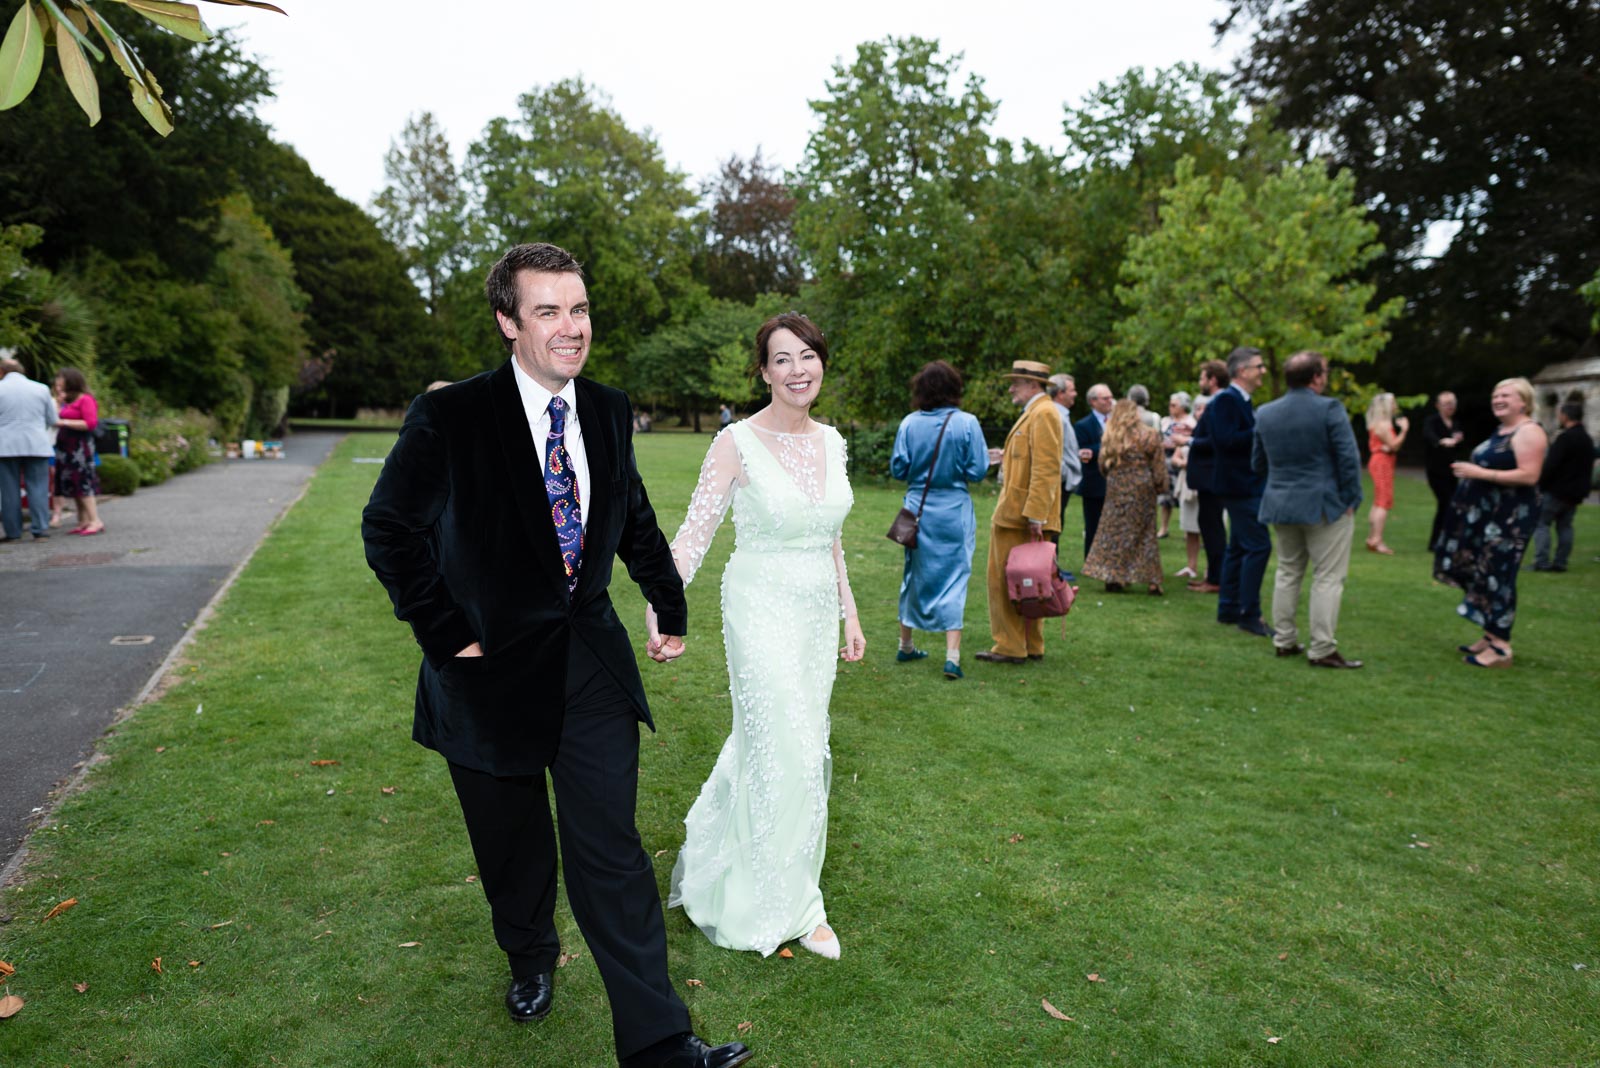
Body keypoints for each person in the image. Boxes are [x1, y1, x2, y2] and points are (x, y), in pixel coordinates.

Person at [362, 243, 752, 1068]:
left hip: (590, 666)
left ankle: (659, 1044)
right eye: (548, 311)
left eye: (578, 310)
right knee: (514, 847)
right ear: (509, 322)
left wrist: (668, 601)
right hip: (484, 676)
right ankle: (529, 953)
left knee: (610, 848)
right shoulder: (452, 417)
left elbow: (633, 515)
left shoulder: (607, 410)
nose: (570, 328)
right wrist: (448, 634)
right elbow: (390, 530)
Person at [658, 312, 864, 961]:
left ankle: (790, 889)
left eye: (808, 355)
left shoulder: (833, 442)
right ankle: (788, 907)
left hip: (813, 612)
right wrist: (665, 605)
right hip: (759, 607)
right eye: (783, 358)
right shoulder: (735, 442)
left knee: (795, 747)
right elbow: (694, 534)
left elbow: (830, 539)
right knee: (788, 746)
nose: (798, 369)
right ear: (764, 371)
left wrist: (849, 613)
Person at [1252, 352, 1365, 668]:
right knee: (1328, 577)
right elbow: (1348, 459)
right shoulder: (1329, 408)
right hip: (1324, 505)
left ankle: (1284, 640)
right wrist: (1351, 500)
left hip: (1280, 504)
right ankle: (1322, 648)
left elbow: (1257, 463)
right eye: (1325, 372)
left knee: (1288, 571)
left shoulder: (1265, 412)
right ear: (1316, 377)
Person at [1434, 377, 1548, 669]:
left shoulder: (1529, 432)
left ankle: (1500, 648)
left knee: (1500, 575)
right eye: (1496, 394)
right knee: (1484, 572)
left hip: (1509, 521)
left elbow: (1530, 475)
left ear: (1523, 401)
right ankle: (1489, 634)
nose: (1498, 399)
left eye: (1506, 395)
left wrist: (1479, 473)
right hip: (1489, 518)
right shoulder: (1503, 431)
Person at [890, 360, 990, 680]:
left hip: (917, 509)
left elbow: (898, 469)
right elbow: (977, 471)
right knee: (955, 577)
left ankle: (906, 645)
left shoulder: (909, 423)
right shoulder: (968, 423)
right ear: (954, 389)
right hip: (953, 510)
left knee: (914, 573)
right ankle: (952, 656)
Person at [977, 359, 1064, 665]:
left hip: (1021, 518)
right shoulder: (1038, 413)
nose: (1012, 388)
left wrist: (1036, 516)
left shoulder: (1043, 414)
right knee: (1031, 582)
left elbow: (1046, 469)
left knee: (1008, 582)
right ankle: (1030, 644)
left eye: (1016, 382)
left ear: (1033, 385)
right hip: (1022, 515)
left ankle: (1011, 646)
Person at [1190, 347, 1272, 636]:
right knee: (1259, 546)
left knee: (1238, 547)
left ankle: (1228, 608)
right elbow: (1224, 440)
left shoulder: (1241, 400)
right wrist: (1262, 427)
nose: (1263, 371)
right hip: (1239, 486)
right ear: (1242, 371)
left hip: (1241, 484)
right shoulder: (1227, 400)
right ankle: (1249, 614)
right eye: (1258, 366)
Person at [1082, 399, 1167, 595]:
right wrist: (1160, 486)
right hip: (1142, 487)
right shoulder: (1150, 434)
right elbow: (1159, 466)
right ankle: (1153, 581)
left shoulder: (1111, 435)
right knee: (1146, 534)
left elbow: (1103, 464)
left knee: (1115, 533)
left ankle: (1115, 576)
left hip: (1117, 487)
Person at [1174, 360, 1230, 593]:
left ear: (1212, 380)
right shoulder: (1217, 403)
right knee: (1208, 526)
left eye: (1202, 378)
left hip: (1212, 478)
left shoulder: (1221, 402)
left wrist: (1188, 440)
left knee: (1213, 529)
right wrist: (1193, 432)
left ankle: (1216, 580)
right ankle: (1214, 576)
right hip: (1207, 478)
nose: (1200, 383)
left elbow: (1219, 441)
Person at [0, 356, 58, 543]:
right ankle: (40, 529)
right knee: (38, 487)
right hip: (36, 443)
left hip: (5, 445)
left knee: (9, 491)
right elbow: (52, 419)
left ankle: (13, 532)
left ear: (2, 372)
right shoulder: (41, 389)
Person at [1532, 401, 1592, 572]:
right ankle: (1560, 562)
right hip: (1575, 493)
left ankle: (1541, 562)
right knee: (1565, 526)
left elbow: (1551, 465)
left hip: (1557, 491)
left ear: (1565, 416)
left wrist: (1540, 484)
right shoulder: (1586, 439)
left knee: (1542, 523)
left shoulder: (1565, 438)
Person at [52, 367, 104, 536]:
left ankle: (95, 520)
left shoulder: (86, 399)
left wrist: (65, 422)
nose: (58, 382)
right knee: (74, 483)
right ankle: (83, 520)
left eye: (61, 379)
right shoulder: (68, 400)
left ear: (71, 381)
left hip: (80, 448)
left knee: (83, 482)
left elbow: (90, 423)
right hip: (66, 447)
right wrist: (60, 403)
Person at [1363, 392, 1408, 554]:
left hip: (1381, 461)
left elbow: (1390, 446)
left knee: (1378, 501)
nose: (1395, 405)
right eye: (1393, 402)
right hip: (1382, 463)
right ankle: (1377, 540)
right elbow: (1395, 445)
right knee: (1383, 501)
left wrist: (1389, 446)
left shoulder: (1379, 423)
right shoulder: (1383, 424)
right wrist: (1404, 430)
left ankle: (1372, 538)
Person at [1073, 383, 1114, 559]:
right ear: (1093, 401)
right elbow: (1082, 450)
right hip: (1094, 481)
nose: (1109, 401)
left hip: (1117, 480)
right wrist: (1106, 445)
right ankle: (1091, 559)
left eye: (1110, 397)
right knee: (1093, 524)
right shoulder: (1083, 425)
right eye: (1105, 398)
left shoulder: (1118, 421)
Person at [1172, 394, 1209, 579]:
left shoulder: (1210, 431)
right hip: (1188, 483)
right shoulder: (1190, 432)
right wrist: (1183, 463)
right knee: (1189, 527)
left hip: (1207, 483)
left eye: (1203, 408)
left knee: (1209, 528)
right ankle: (1191, 566)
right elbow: (1175, 457)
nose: (1199, 412)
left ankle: (1211, 568)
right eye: (1197, 408)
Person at [1422, 391, 1465, 550]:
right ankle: (1436, 541)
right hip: (1436, 470)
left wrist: (1458, 441)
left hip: (1452, 470)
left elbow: (1458, 446)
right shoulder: (1432, 421)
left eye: (1452, 403)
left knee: (1451, 504)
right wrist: (1441, 441)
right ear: (1438, 406)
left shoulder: (1455, 423)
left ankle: (1446, 539)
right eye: (1446, 404)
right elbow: (1428, 436)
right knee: (1445, 502)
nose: (1450, 407)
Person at [1046, 373, 1083, 549]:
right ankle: (1051, 569)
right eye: (1072, 390)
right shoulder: (1055, 414)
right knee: (1052, 526)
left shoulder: (1061, 414)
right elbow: (1050, 451)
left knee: (1056, 525)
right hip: (1059, 481)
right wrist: (1065, 474)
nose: (1075, 394)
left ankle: (1053, 568)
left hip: (1062, 480)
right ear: (1060, 393)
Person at [1158, 391, 1193, 539]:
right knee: (1165, 497)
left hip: (1183, 461)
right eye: (1170, 405)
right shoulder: (1165, 421)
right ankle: (1164, 528)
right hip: (1166, 461)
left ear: (1183, 407)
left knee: (1184, 497)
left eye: (1174, 405)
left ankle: (1188, 530)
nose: (1170, 407)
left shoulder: (1191, 422)